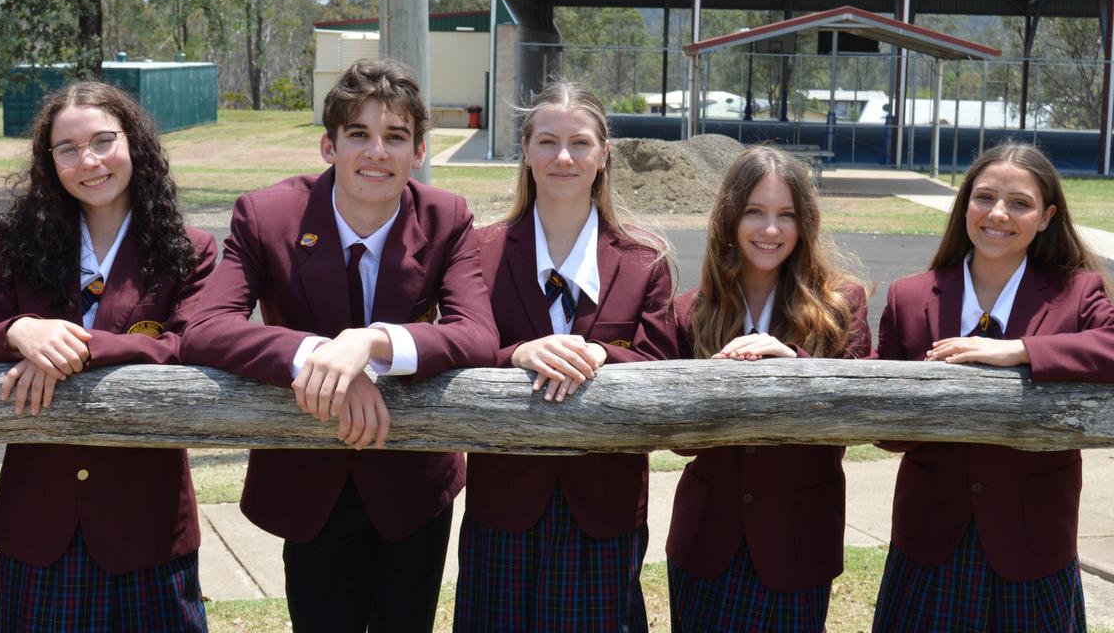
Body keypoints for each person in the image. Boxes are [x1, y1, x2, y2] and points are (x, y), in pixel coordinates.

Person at [181, 58, 498, 632]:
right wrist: (320, 357)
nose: (377, 151)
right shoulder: (267, 215)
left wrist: (370, 343)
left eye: (396, 136)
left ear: (419, 152)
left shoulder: (447, 217)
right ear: (329, 146)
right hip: (310, 482)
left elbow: (477, 333)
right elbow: (206, 329)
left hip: (413, 484)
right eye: (359, 134)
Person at [0, 81, 216, 630]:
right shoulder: (14, 244)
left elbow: (186, 346)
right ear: (49, 161)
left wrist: (72, 345)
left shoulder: (189, 249)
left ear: (135, 144)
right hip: (39, 526)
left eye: (103, 141)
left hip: (148, 527)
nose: (89, 161)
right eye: (68, 149)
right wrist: (19, 330)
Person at [455, 81, 675, 631]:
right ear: (526, 153)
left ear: (604, 156)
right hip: (504, 504)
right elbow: (456, 348)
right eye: (547, 142)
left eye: (580, 143)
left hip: (605, 507)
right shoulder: (478, 252)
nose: (563, 157)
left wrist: (598, 353)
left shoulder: (645, 261)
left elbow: (665, 366)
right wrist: (517, 353)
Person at [871, 141, 1111, 632]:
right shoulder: (910, 296)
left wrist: (1021, 350)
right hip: (930, 542)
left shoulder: (1077, 291)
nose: (998, 214)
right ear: (965, 206)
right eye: (984, 197)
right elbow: (882, 423)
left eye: (1019, 203)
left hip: (1033, 544)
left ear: (1046, 217)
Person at [667, 146, 870, 631]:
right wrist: (708, 390)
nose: (770, 230)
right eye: (754, 212)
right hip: (706, 544)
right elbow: (676, 441)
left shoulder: (842, 305)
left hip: (798, 543)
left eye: (786, 215)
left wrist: (796, 366)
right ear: (730, 219)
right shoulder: (690, 310)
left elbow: (858, 412)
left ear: (806, 224)